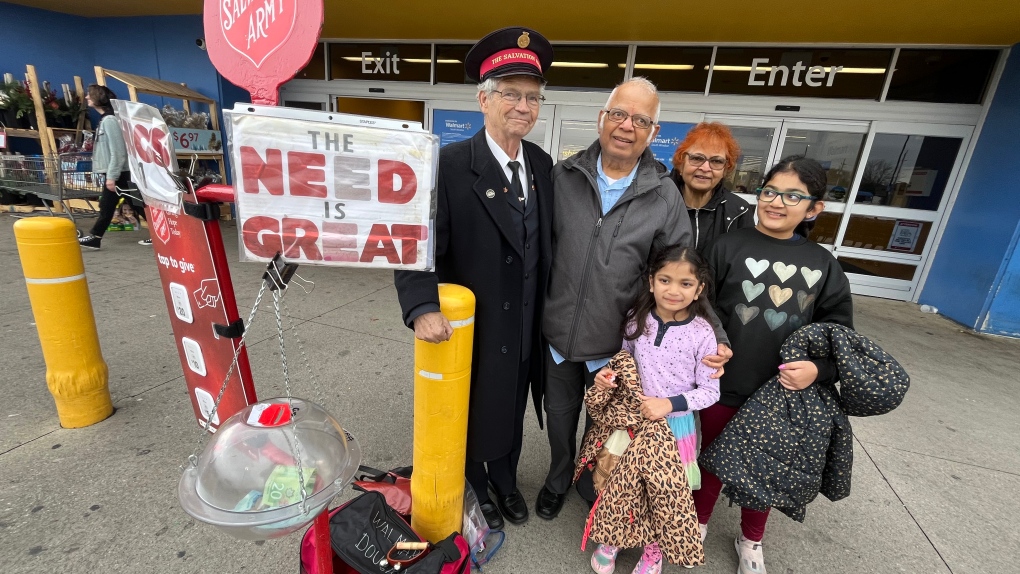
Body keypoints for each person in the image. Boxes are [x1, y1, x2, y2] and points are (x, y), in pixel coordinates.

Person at [537, 77, 732, 520]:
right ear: (602, 118)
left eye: (641, 119)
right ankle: (557, 477)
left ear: (653, 132)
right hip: (557, 334)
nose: (627, 126)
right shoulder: (563, 176)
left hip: (618, 346)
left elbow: (684, 276)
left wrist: (715, 334)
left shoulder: (664, 195)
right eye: (619, 114)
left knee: (608, 425)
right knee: (560, 415)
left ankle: (594, 481)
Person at [394, 27, 554, 530]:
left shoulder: (544, 166)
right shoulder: (450, 165)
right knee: (471, 405)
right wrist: (422, 306)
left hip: (526, 321)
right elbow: (416, 242)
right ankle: (476, 485)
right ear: (483, 99)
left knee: (510, 406)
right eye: (510, 93)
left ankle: (505, 480)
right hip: (474, 321)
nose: (523, 106)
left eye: (532, 96)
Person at [696, 156, 854, 574]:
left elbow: (840, 337)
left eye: (792, 195)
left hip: (780, 397)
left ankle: (751, 539)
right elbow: (699, 307)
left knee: (764, 473)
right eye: (769, 191)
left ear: (814, 208)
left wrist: (818, 372)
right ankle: (695, 524)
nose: (777, 202)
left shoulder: (824, 265)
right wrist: (706, 345)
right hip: (721, 383)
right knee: (709, 461)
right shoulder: (727, 246)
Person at [588, 245, 719, 574]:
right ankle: (613, 537)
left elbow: (710, 391)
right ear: (650, 282)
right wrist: (608, 377)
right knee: (618, 482)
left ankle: (653, 549)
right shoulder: (637, 319)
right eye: (665, 280)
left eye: (685, 284)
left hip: (674, 430)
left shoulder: (703, 334)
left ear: (699, 289)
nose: (674, 290)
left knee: (661, 493)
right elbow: (623, 361)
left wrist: (670, 404)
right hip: (632, 424)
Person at [78, 84, 150, 250]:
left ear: (98, 98)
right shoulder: (109, 118)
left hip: (119, 172)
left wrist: (111, 176)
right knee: (133, 204)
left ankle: (95, 237)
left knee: (111, 205)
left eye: (90, 95)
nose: (87, 98)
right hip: (120, 172)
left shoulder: (110, 120)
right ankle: (95, 237)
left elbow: (118, 151)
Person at [669, 122, 753, 253]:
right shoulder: (658, 203)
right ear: (680, 163)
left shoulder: (739, 212)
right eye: (697, 158)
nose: (705, 168)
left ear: (725, 170)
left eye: (716, 161)